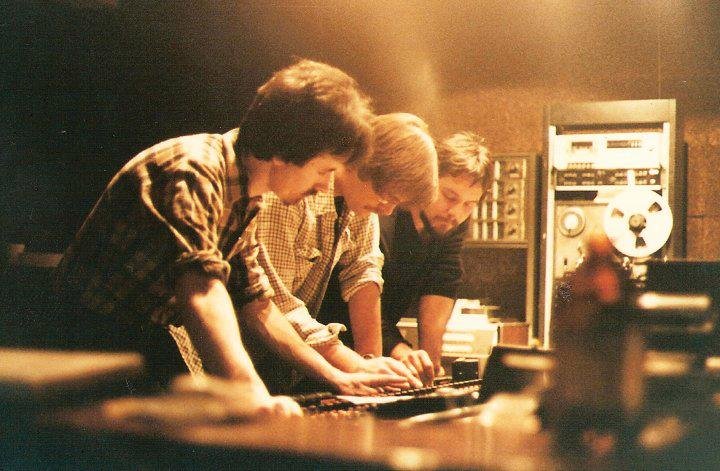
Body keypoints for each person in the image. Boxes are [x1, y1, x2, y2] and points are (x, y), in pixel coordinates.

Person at [53, 59, 406, 415]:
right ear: (286, 152)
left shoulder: (244, 198)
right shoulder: (193, 170)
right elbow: (201, 289)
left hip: (132, 339)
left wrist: (338, 377)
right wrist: (250, 392)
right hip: (79, 346)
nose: (325, 186)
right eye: (323, 171)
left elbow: (258, 303)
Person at [249, 112, 438, 393]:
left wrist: (375, 369)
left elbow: (364, 273)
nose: (387, 210)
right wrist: (356, 366)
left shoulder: (361, 202)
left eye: (396, 203)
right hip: (232, 356)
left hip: (282, 358)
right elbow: (276, 303)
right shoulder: (290, 192)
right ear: (363, 164)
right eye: (387, 197)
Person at [320, 131, 492, 386]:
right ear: (428, 182)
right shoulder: (383, 212)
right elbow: (355, 296)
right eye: (449, 196)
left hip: (372, 352)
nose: (456, 212)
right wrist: (400, 350)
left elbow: (442, 282)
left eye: (469, 204)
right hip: (330, 338)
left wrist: (429, 364)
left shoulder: (450, 223)